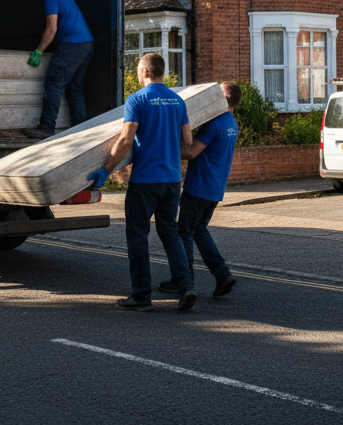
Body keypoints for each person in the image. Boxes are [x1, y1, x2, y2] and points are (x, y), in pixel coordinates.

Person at [100, 53, 195, 312]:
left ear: (143, 72)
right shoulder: (178, 101)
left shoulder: (137, 99)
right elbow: (187, 142)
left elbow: (126, 139)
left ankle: (141, 296)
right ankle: (185, 286)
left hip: (145, 180)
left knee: (138, 236)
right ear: (162, 72)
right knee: (170, 234)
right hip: (172, 180)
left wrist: (106, 169)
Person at [160, 81, 240, 299]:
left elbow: (192, 152)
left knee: (184, 231)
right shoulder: (232, 123)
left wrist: (168, 146)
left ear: (223, 99)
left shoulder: (214, 123)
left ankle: (184, 281)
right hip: (215, 189)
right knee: (198, 229)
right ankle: (222, 274)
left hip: (199, 187)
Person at [24, 0, 94, 140]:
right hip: (87, 44)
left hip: (72, 45)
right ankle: (81, 128)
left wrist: (39, 50)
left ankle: (46, 127)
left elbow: (51, 28)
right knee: (74, 86)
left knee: (53, 83)